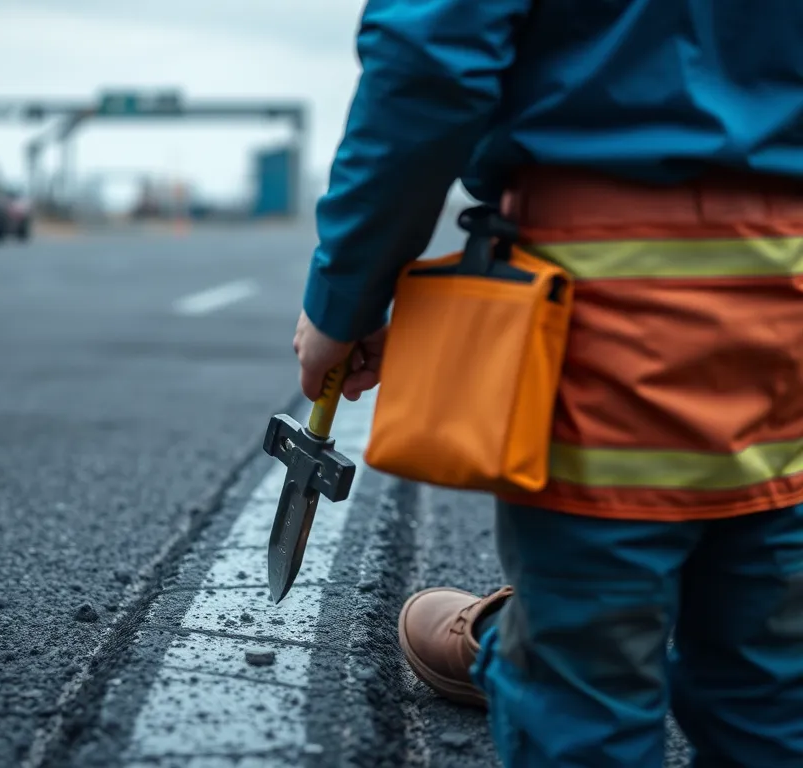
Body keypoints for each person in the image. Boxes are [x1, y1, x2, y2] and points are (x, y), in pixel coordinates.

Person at [291, 1, 803, 765]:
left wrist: (345, 297)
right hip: (784, 294)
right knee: (767, 672)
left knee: (586, 681)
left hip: (602, 309)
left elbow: (429, 60)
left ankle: (520, 644)